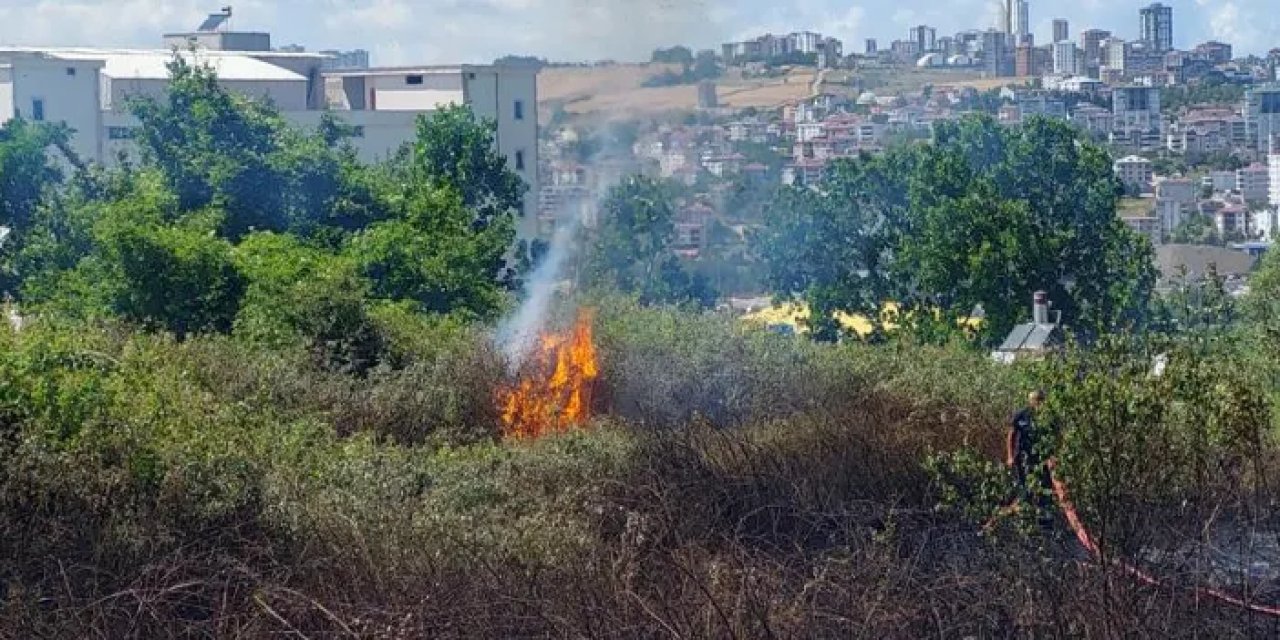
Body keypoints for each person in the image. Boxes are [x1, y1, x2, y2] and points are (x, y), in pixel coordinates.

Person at [1007, 389, 1054, 525]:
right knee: (1025, 487)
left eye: (1040, 400)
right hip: (1023, 457)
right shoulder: (1021, 415)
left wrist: (1053, 456)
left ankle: (1044, 519)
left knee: (1045, 486)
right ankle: (1025, 518)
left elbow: (1054, 437)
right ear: (1030, 401)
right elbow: (1011, 435)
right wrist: (1010, 456)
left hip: (1042, 458)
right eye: (1035, 400)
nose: (1037, 403)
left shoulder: (1047, 417)